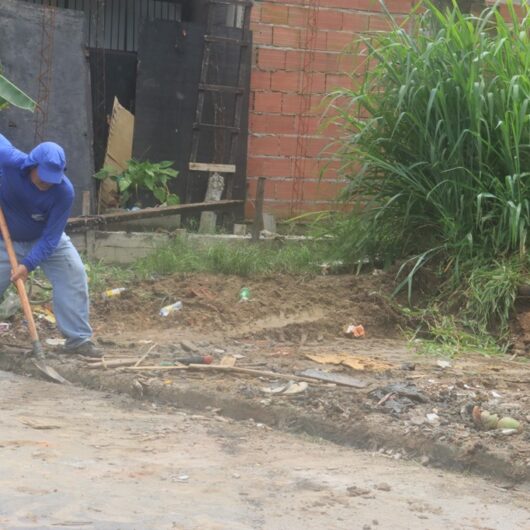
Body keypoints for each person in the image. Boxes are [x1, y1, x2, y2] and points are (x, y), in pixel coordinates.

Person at [0, 133, 102, 358]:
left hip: (44, 240)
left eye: (53, 177)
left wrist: (27, 265)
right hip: (6, 239)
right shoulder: (10, 160)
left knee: (73, 274)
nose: (47, 182)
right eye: (43, 176)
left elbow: (51, 238)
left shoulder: (64, 192)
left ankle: (78, 340)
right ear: (32, 165)